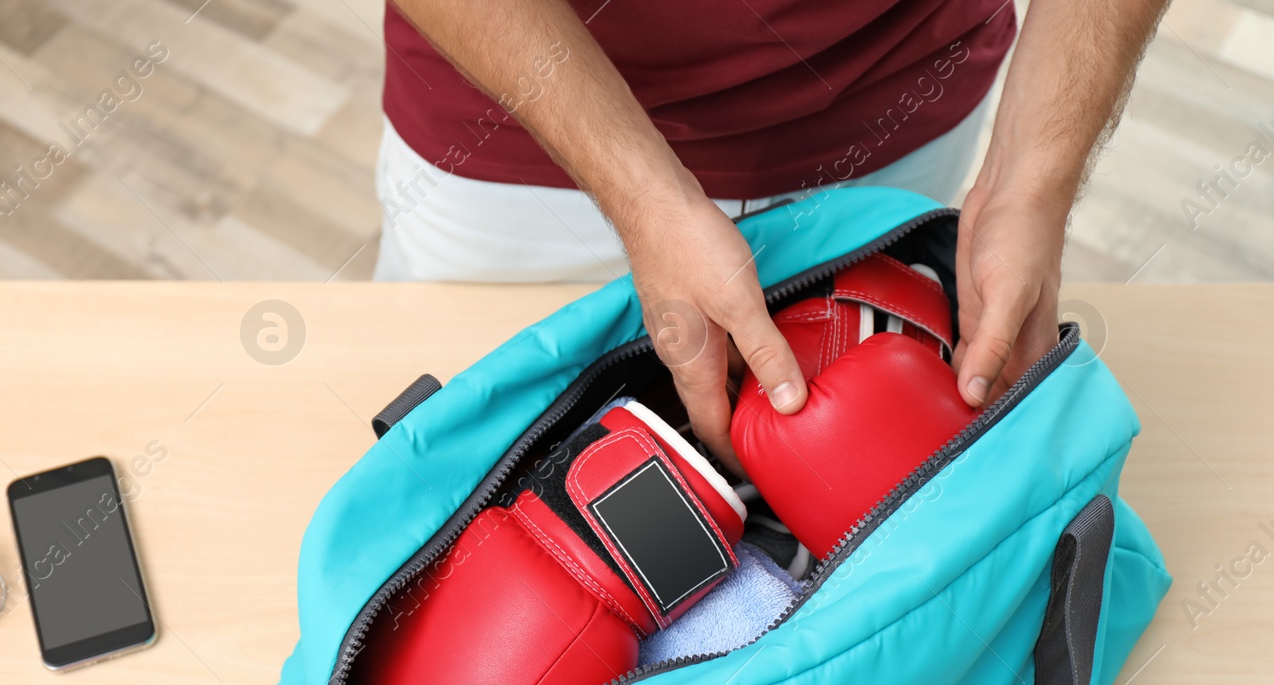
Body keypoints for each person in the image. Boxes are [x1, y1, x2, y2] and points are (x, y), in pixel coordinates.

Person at [373, 0, 1164, 470]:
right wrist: (645, 200)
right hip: (519, 151)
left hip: (898, 112)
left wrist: (1031, 183)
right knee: (464, 490)